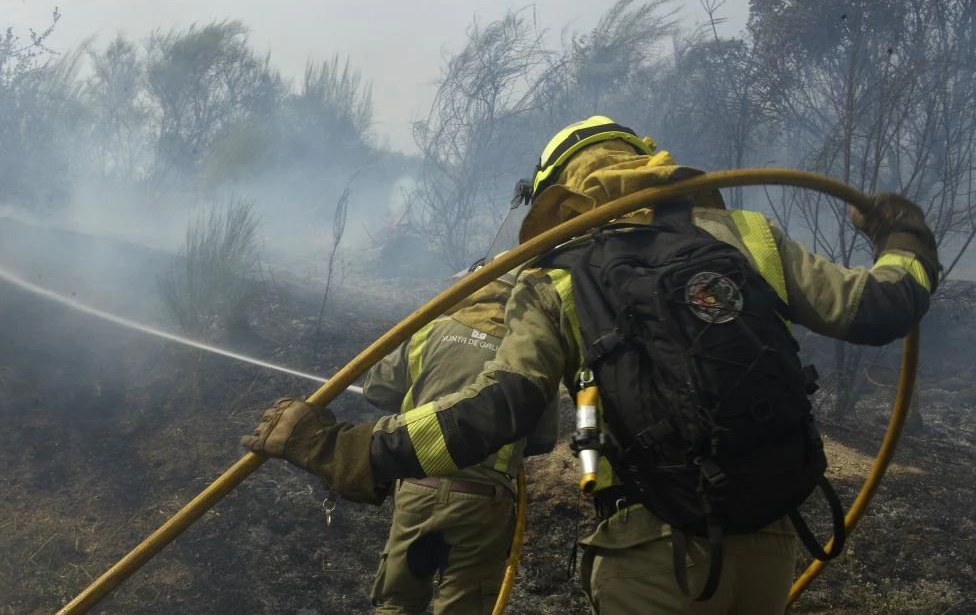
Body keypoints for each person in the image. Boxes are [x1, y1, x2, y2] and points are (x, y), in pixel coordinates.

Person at [242, 116, 940, 614]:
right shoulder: (749, 236)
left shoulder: (558, 275)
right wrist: (904, 235)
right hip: (770, 540)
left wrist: (351, 449)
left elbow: (499, 408)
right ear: (651, 164)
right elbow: (885, 306)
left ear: (560, 196)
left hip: (651, 552)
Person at [362, 263, 558, 614]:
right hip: (482, 503)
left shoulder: (431, 329)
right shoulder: (532, 354)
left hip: (417, 488)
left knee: (396, 603)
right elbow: (543, 439)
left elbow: (377, 388)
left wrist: (424, 394)